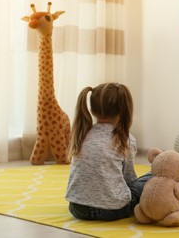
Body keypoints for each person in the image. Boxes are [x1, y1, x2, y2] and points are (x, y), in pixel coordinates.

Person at [65, 82, 152, 221]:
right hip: (112, 211)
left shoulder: (81, 134)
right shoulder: (125, 139)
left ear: (92, 108)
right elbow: (129, 179)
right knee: (154, 175)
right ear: (124, 109)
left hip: (77, 208)